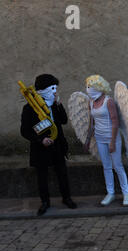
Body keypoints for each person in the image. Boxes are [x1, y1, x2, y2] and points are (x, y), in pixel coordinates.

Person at [20, 74, 77, 216]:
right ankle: (45, 202)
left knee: (62, 173)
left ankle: (67, 198)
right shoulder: (29, 108)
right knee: (42, 175)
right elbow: (25, 131)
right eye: (52, 88)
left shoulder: (55, 104)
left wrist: (59, 104)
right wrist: (41, 140)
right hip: (41, 147)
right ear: (41, 90)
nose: (55, 92)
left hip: (57, 145)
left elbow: (63, 121)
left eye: (56, 88)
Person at [83, 75, 128, 206]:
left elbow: (115, 122)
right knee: (106, 166)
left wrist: (112, 142)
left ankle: (126, 193)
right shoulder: (91, 102)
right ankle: (110, 193)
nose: (88, 89)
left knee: (118, 166)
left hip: (112, 137)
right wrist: (87, 140)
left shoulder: (108, 101)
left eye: (91, 87)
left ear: (99, 87)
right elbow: (92, 123)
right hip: (99, 138)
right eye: (87, 86)